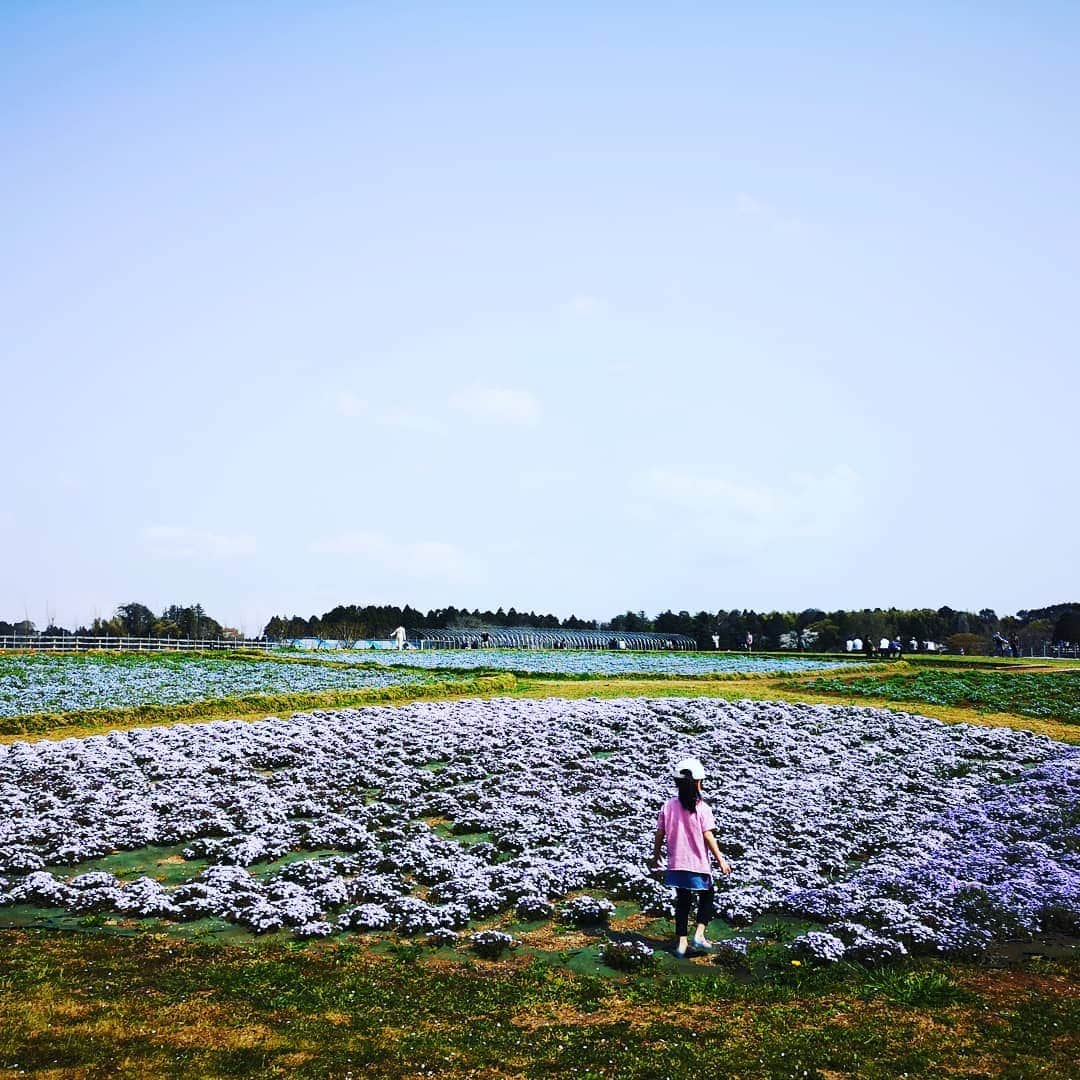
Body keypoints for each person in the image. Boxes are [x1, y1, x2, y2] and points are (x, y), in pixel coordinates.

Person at [650, 756, 731, 957]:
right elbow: (708, 835)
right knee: (707, 895)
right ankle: (700, 934)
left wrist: (656, 855)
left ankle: (682, 943)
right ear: (698, 783)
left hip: (676, 864)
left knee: (683, 901)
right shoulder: (702, 808)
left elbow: (659, 833)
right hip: (698, 865)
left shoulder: (667, 806)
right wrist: (720, 859)